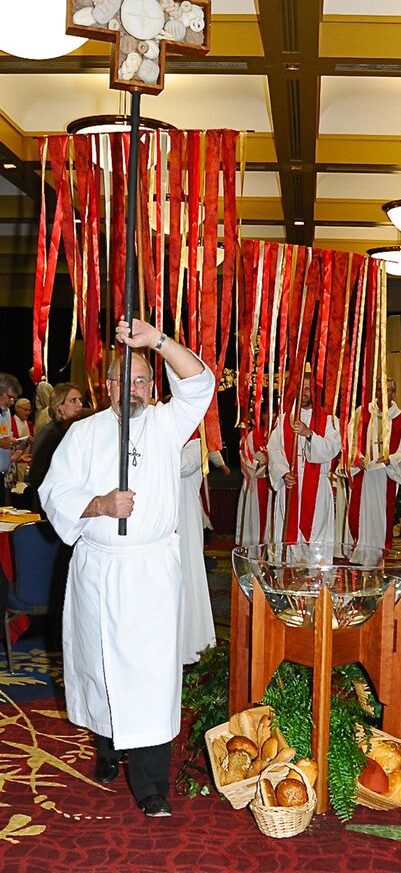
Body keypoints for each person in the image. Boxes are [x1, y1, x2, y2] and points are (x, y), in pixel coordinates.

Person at [39, 318, 215, 819]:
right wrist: (98, 504)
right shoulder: (84, 433)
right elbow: (54, 494)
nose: (133, 388)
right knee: (101, 666)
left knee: (150, 675)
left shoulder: (166, 423)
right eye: (125, 380)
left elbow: (200, 382)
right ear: (108, 386)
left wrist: (156, 341)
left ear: (151, 386)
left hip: (150, 574)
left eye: (142, 380)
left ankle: (152, 785)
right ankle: (108, 749)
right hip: (99, 569)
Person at [267, 372, 341, 544]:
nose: (305, 393)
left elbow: (333, 448)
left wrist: (309, 434)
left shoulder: (329, 420)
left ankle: (315, 570)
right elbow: (274, 449)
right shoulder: (284, 419)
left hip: (317, 489)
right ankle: (288, 569)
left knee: (316, 537)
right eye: (302, 388)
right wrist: (284, 473)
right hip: (291, 487)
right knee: (289, 536)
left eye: (309, 389)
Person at [347, 377, 401, 550]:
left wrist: (390, 458)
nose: (382, 394)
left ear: (393, 394)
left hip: (386, 474)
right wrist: (357, 457)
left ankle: (379, 550)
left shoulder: (400, 418)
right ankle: (360, 548)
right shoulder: (362, 412)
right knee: (361, 512)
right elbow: (350, 438)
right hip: (365, 472)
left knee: (380, 513)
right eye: (379, 389)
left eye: (388, 390)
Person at [178, 438, 216, 665]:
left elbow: (183, 465)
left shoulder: (197, 441)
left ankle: (192, 644)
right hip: (159, 517)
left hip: (185, 517)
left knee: (188, 575)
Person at [29, 383, 83, 512]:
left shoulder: (73, 430)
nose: (80, 405)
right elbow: (36, 475)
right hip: (50, 507)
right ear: (60, 407)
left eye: (80, 400)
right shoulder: (49, 433)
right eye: (73, 400)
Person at [235, 406, 272, 547]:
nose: (271, 416)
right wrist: (261, 464)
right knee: (256, 520)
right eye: (267, 412)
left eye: (274, 412)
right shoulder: (252, 435)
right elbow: (245, 457)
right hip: (256, 482)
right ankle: (253, 550)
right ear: (262, 415)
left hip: (274, 484)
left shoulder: (278, 433)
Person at [0, 372, 24, 505]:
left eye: (14, 399)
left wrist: (14, 452)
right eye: (9, 397)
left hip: (3, 474)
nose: (12, 402)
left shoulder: (6, 411)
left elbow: (5, 437)